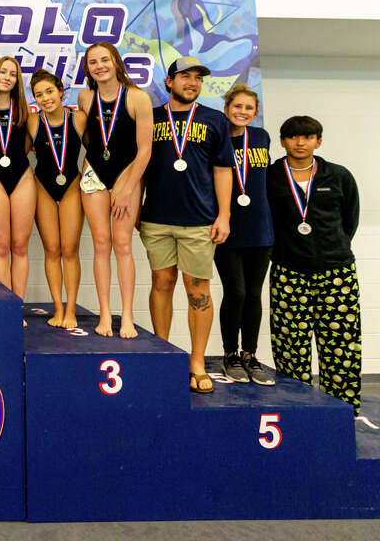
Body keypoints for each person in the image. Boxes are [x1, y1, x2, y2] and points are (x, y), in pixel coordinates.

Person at [139, 57, 233, 395]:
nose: (192, 82)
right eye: (185, 77)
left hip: (198, 221)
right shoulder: (151, 117)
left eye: (198, 78)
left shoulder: (214, 120)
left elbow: (223, 169)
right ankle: (162, 353)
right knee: (162, 282)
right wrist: (136, 208)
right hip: (157, 218)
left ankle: (196, 360)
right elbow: (140, 167)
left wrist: (224, 215)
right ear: (169, 82)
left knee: (198, 290)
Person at [265, 116, 362, 414]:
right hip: (288, 270)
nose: (300, 142)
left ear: (318, 141)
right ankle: (298, 411)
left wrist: (331, 249)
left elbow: (350, 219)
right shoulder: (271, 177)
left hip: (336, 271)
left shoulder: (339, 176)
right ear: (282, 141)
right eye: (293, 137)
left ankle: (342, 412)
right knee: (290, 346)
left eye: (307, 137)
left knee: (341, 346)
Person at [77, 41, 153, 338]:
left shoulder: (137, 98)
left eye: (104, 60)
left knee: (122, 245)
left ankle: (128, 317)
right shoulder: (85, 98)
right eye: (93, 62)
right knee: (100, 244)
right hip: (95, 172)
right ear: (88, 68)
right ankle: (105, 313)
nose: (99, 66)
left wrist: (127, 186)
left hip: (126, 175)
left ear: (116, 62)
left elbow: (145, 150)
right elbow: (88, 140)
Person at [214, 85, 275, 385]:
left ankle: (250, 354)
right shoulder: (218, 136)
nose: (242, 112)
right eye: (237, 106)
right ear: (227, 109)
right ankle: (230, 354)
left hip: (260, 227)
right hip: (227, 226)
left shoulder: (261, 138)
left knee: (253, 294)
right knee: (235, 291)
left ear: (255, 112)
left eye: (248, 108)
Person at [28, 69, 87, 328]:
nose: (45, 98)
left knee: (69, 250)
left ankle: (71, 309)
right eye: (39, 95)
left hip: (72, 184)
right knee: (51, 250)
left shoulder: (80, 118)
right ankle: (58, 308)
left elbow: (97, 149)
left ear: (61, 91)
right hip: (43, 185)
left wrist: (87, 176)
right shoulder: (32, 122)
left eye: (49, 92)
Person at [0, 56, 34, 298]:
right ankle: (6, 306)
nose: (7, 77)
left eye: (12, 74)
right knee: (1, 246)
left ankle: (18, 303)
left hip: (22, 177)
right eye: (2, 72)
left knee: (20, 246)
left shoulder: (24, 111)